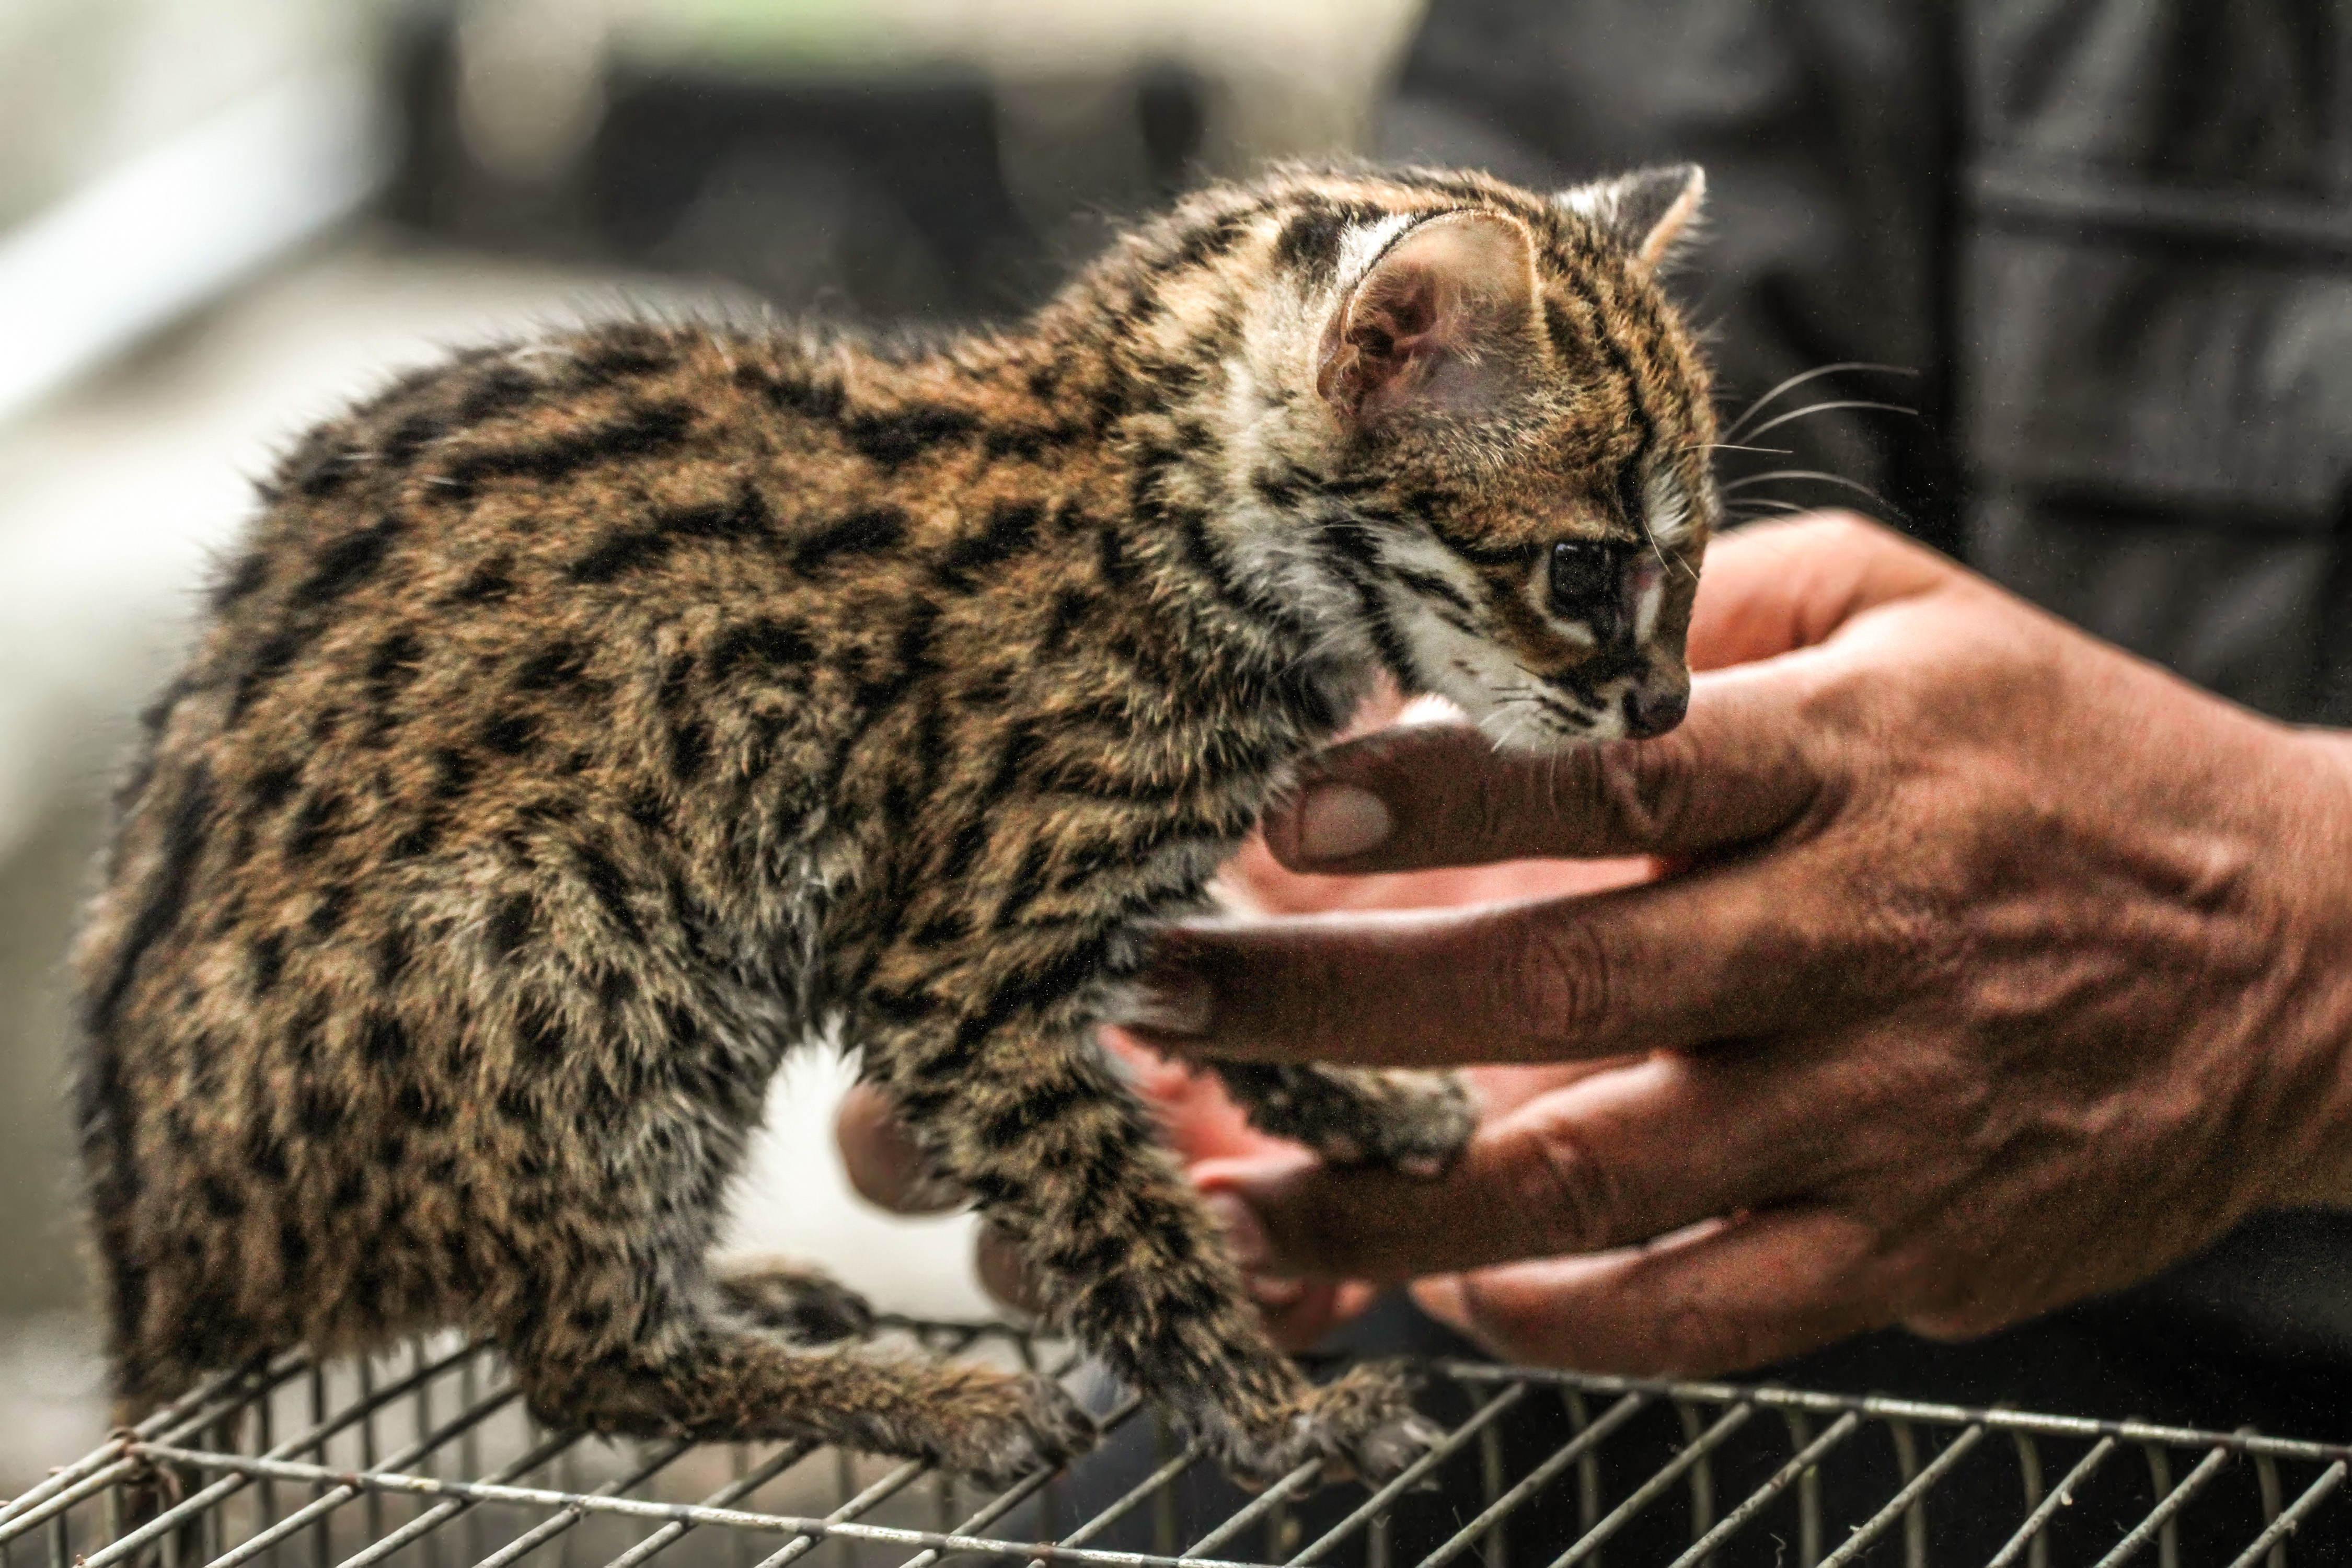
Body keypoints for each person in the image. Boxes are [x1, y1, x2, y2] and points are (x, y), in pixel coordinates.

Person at [840, 1, 2352, 1555]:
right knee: (1195, 1481)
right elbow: (1485, 325)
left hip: (2216, 1270)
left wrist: (2312, 944)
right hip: (1809, 1146)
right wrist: (1260, 809)